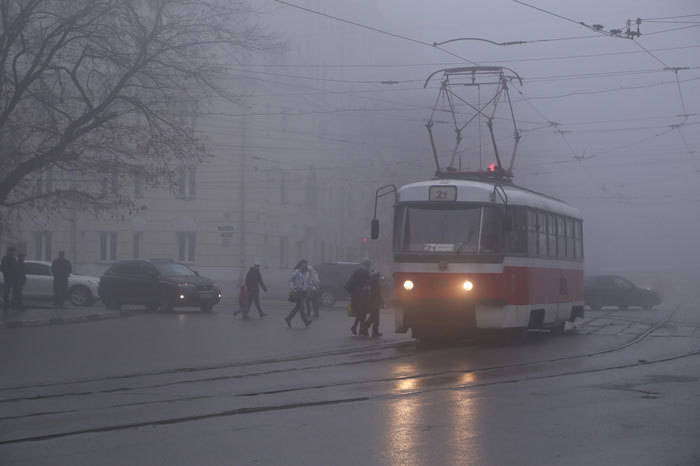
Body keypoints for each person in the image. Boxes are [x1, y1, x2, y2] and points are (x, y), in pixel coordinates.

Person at [345, 258, 372, 336]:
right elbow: (367, 282)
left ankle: (357, 328)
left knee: (361, 313)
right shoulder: (364, 272)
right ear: (368, 265)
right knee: (362, 312)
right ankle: (362, 329)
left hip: (356, 295)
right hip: (361, 295)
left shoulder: (358, 271)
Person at [285, 259, 312, 328]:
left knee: (298, 307)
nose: (305, 265)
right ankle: (306, 322)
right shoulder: (296, 273)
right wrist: (293, 289)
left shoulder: (307, 273)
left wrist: (309, 289)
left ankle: (288, 318)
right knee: (302, 307)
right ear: (300, 265)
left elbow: (308, 282)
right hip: (298, 292)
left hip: (304, 292)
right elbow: (291, 281)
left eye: (306, 264)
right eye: (303, 264)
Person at [360, 271, 384, 337]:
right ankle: (366, 328)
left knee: (374, 317)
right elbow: (377, 295)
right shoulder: (376, 285)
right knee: (374, 317)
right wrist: (381, 302)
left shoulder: (371, 284)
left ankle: (373, 330)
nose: (380, 278)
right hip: (374, 303)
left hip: (372, 303)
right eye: (379, 277)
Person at [1, 246, 17, 312]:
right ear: (9, 251)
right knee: (7, 291)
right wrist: (7, 276)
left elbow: (15, 268)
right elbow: (4, 269)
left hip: (13, 277)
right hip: (8, 278)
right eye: (12, 251)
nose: (13, 253)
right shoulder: (6, 258)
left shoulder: (13, 258)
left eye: (13, 251)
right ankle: (6, 304)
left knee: (11, 291)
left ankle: (9, 304)